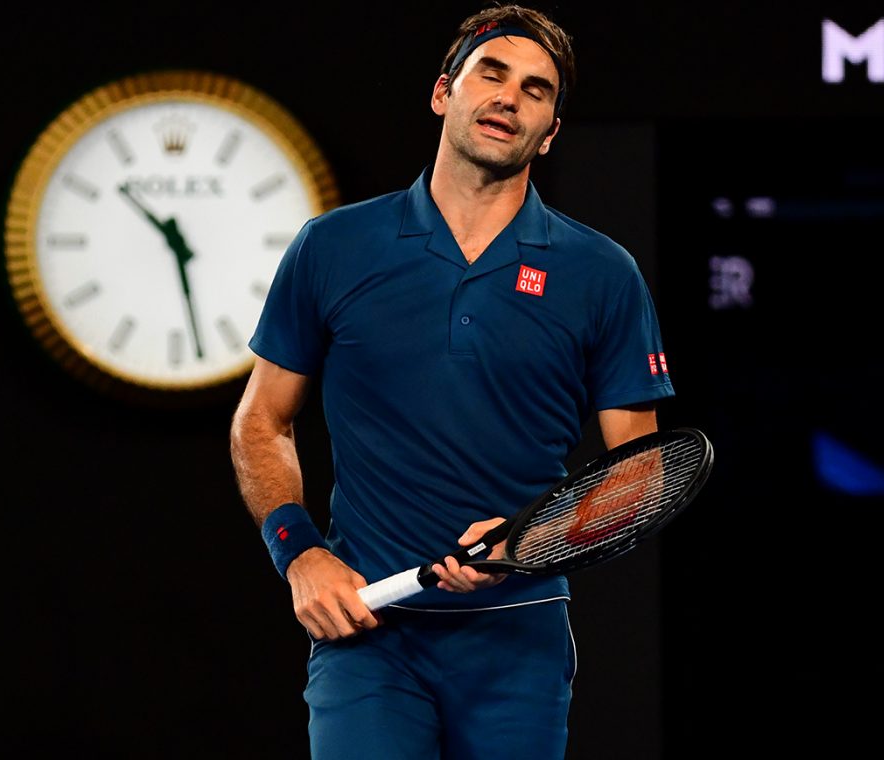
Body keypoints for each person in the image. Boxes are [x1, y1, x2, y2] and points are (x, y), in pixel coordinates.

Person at [229, 4, 674, 758]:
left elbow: (640, 474)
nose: (509, 98)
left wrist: (528, 542)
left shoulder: (602, 274)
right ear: (444, 92)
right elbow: (261, 421)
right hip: (370, 635)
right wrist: (299, 552)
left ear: (550, 131)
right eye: (491, 73)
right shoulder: (333, 247)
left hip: (519, 640)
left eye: (536, 90)